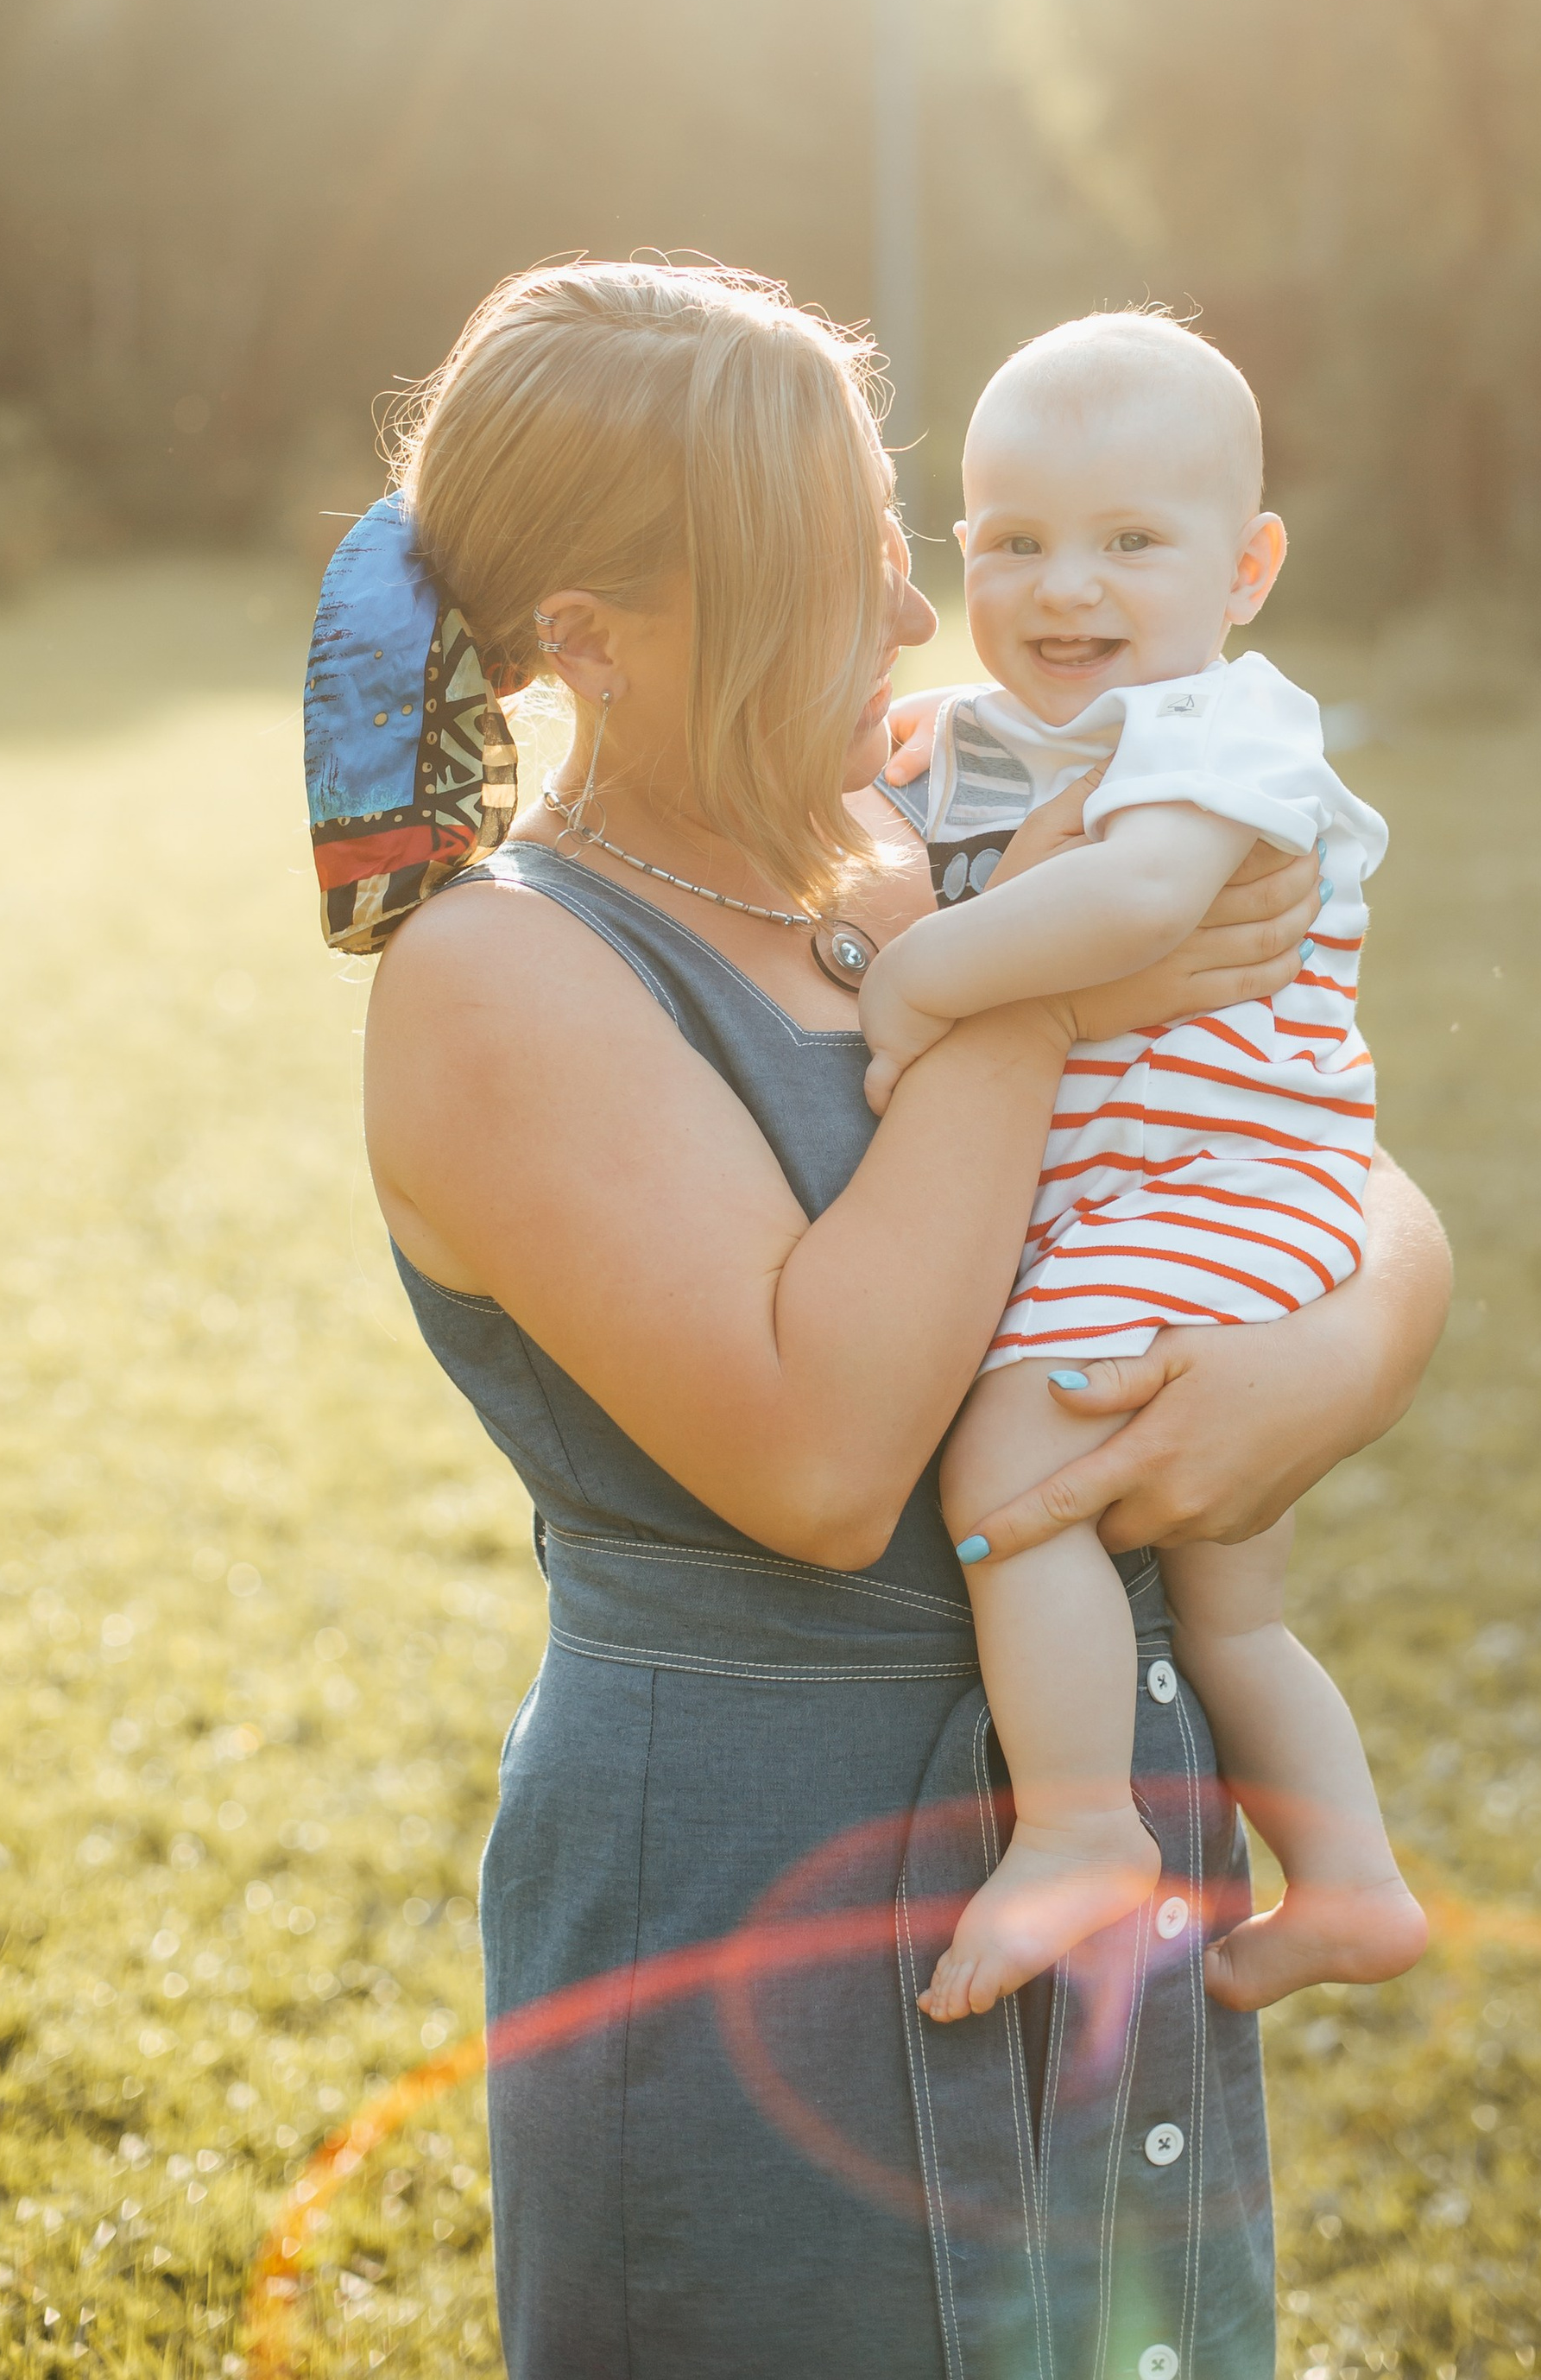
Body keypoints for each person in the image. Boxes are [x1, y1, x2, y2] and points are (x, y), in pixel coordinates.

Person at [314, 256, 1453, 2380]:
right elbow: (829, 1467)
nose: (926, 628)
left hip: (1101, 1814)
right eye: (845, 590)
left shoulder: (900, 838)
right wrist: (1035, 978)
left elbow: (1309, 1162)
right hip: (772, 1894)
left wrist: (1351, 1344)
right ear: (592, 646)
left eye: (892, 555)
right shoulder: (507, 976)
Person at [862, 312, 1429, 2030]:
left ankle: (1081, 1828)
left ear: (1244, 569)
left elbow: (1126, 907)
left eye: (1128, 542)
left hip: (1212, 1191)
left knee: (1009, 1467)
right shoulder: (1010, 729)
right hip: (1183, 1203)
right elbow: (913, 769)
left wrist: (918, 976)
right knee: (1231, 1613)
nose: (1061, 589)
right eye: (1014, 543)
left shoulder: (1221, 728)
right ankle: (1348, 1885)